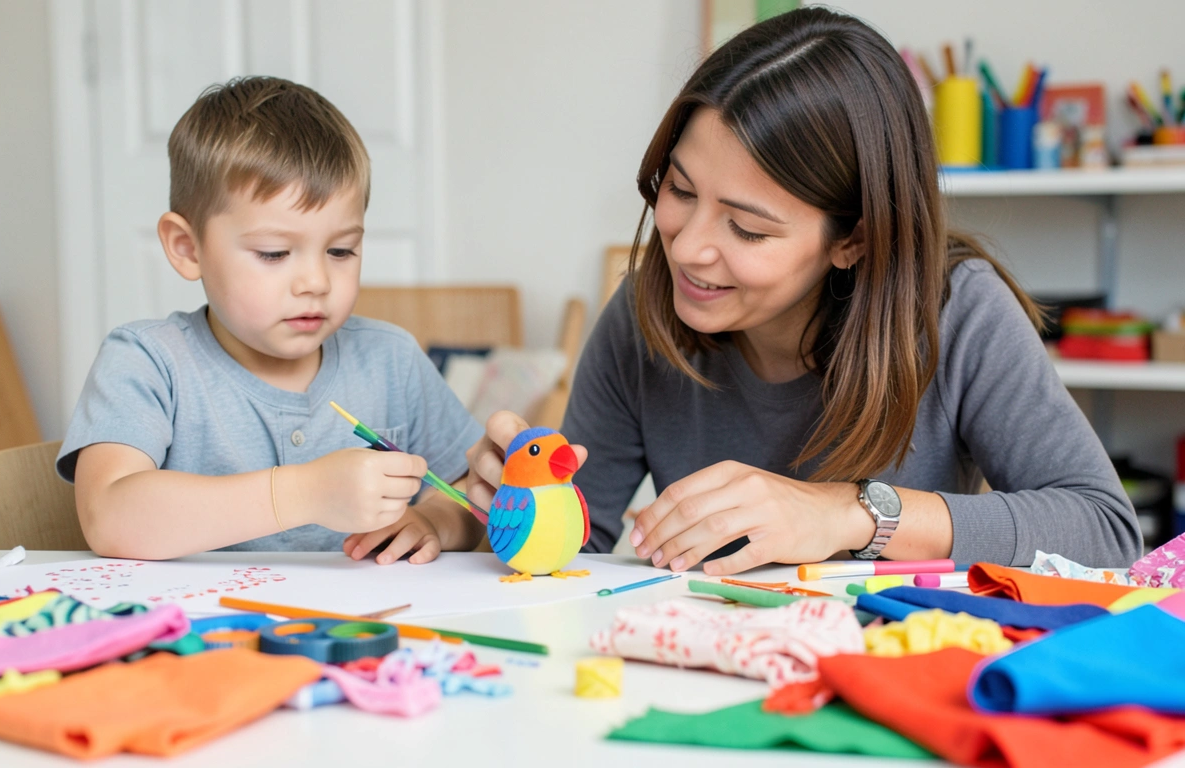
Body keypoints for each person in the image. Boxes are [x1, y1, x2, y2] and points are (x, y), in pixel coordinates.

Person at [467, 7, 1140, 576]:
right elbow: (580, 546)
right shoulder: (645, 312)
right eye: (680, 190)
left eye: (747, 229)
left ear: (855, 240)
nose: (687, 247)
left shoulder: (958, 311)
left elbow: (1106, 531)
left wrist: (849, 513)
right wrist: (508, 507)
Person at [58, 77, 485, 563]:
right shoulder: (147, 361)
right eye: (275, 253)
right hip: (203, 631)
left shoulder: (391, 359)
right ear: (187, 247)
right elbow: (110, 518)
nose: (316, 282)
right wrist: (304, 493)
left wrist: (435, 520)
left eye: (341, 249)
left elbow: (465, 488)